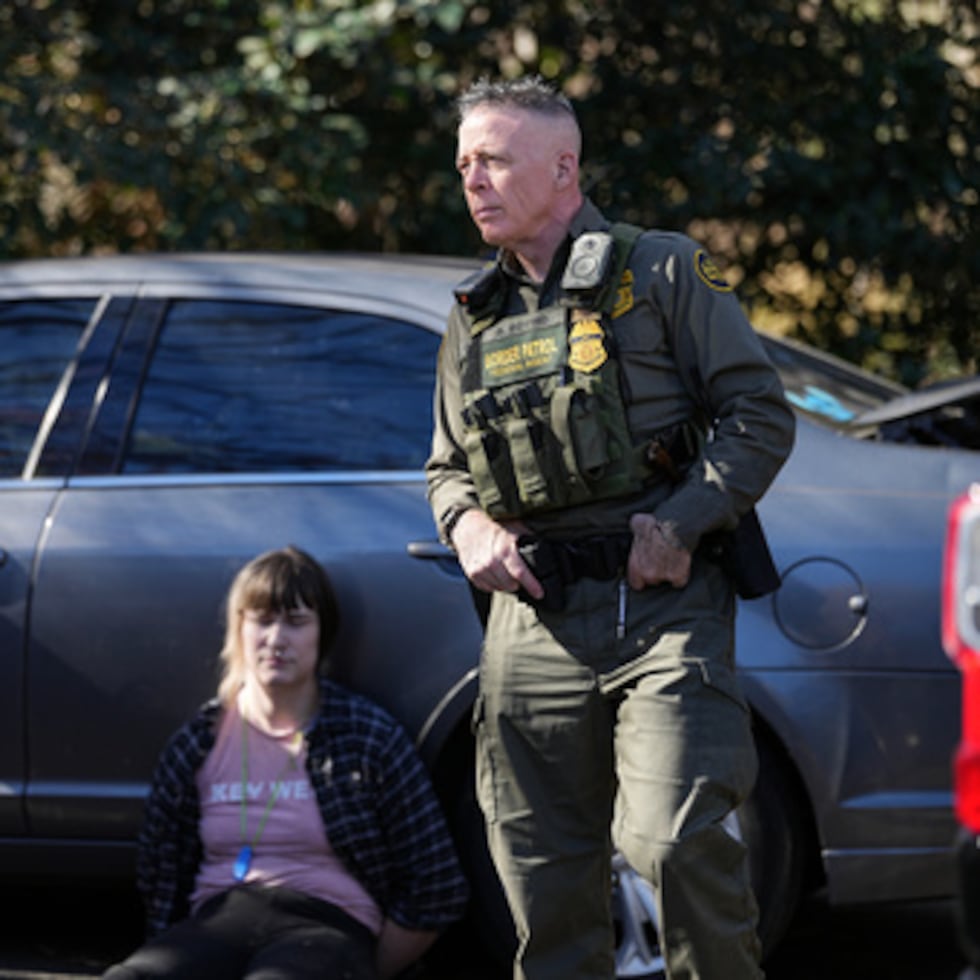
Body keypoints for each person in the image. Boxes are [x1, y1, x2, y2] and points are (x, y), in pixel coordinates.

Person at [425, 76, 796, 980]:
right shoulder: (473, 315)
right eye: (465, 162)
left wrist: (680, 522)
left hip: (662, 608)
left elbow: (758, 414)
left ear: (563, 169)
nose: (473, 180)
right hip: (533, 624)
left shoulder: (661, 270)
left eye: (495, 160)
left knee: (671, 840)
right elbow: (445, 467)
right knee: (541, 877)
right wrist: (467, 526)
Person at [103, 545, 468, 980]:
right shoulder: (200, 741)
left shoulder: (367, 736)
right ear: (239, 630)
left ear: (322, 634)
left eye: (296, 622)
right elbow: (159, 869)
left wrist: (372, 968)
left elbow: (438, 883)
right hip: (218, 918)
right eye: (262, 620)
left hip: (327, 924)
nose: (276, 640)